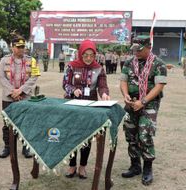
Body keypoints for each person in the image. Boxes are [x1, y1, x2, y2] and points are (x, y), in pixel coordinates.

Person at [119, 36, 167, 185]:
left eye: (139, 50)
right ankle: (135, 166)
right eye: (134, 49)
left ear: (149, 47)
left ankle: (147, 168)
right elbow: (123, 81)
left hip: (149, 104)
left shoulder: (158, 64)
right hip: (132, 103)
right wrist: (126, 95)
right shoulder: (128, 62)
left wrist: (143, 101)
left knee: (144, 134)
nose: (136, 52)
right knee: (130, 132)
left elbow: (159, 86)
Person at [63, 39, 110, 179]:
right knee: (71, 136)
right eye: (86, 55)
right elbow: (65, 83)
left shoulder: (99, 68)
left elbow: (102, 85)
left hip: (90, 106)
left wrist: (104, 94)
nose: (89, 58)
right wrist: (72, 89)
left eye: (91, 55)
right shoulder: (71, 66)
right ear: (80, 54)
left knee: (87, 137)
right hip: (73, 105)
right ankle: (72, 166)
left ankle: (83, 166)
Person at [0, 36, 40, 159]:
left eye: (23, 47)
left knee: (25, 123)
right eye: (19, 47)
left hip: (25, 97)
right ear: (12, 47)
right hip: (8, 97)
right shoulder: (3, 60)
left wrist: (20, 91)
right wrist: (12, 92)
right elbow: (1, 78)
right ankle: (8, 147)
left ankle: (26, 148)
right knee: (7, 123)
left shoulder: (31, 60)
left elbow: (34, 77)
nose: (21, 49)